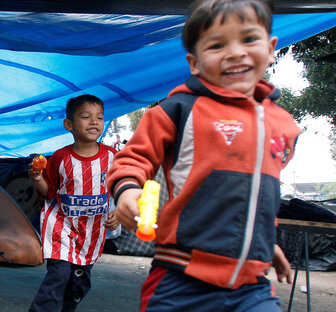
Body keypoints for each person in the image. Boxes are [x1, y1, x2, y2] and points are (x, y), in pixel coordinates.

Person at [107, 0, 294, 310]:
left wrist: (264, 242)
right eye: (217, 45)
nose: (235, 52)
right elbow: (133, 159)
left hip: (251, 287)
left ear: (271, 47)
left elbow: (258, 193)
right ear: (194, 63)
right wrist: (127, 190)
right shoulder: (178, 110)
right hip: (181, 278)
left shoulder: (283, 124)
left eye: (249, 39)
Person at [28, 94, 119, 312]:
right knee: (58, 275)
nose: (94, 122)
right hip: (62, 226)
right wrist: (39, 179)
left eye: (99, 117)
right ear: (69, 124)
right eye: (86, 117)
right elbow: (49, 192)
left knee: (79, 285)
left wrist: (121, 211)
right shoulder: (60, 158)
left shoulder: (113, 157)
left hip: (92, 231)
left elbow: (120, 187)